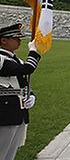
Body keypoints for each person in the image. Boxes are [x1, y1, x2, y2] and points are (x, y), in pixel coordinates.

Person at [0, 23, 41, 160]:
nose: (19, 40)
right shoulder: (1, 59)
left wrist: (31, 95)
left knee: (11, 151)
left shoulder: (14, 58)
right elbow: (27, 69)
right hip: (5, 111)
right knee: (2, 149)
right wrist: (33, 51)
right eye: (15, 38)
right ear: (3, 40)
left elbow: (22, 80)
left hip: (18, 110)